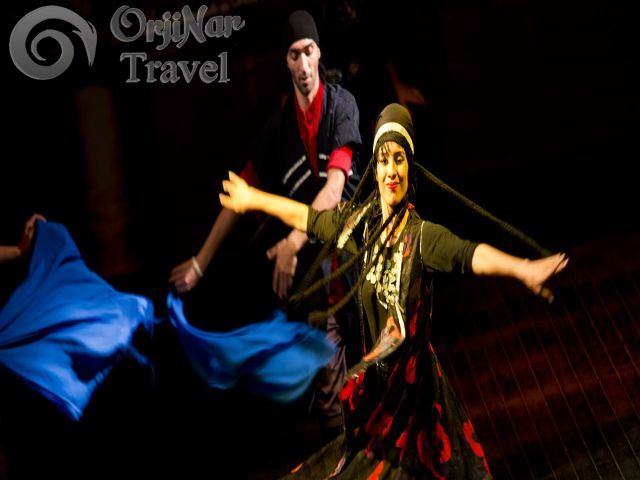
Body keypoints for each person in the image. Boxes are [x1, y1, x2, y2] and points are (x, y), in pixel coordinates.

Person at [219, 103, 568, 479]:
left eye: (399, 160)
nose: (391, 171)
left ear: (409, 167)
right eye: (384, 160)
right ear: (374, 168)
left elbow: (469, 254)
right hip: (379, 396)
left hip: (413, 395)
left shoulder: (421, 237)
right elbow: (310, 219)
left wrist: (522, 268)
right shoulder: (362, 227)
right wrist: (253, 199)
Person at [169, 10, 362, 439]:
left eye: (308, 51)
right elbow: (239, 196)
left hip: (357, 257)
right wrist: (200, 263)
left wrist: (292, 242)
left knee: (378, 364)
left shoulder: (341, 106)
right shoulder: (278, 130)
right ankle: (343, 452)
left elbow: (334, 191)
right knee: (330, 386)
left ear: (319, 53)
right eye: (294, 54)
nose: (303, 64)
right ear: (286, 62)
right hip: (318, 278)